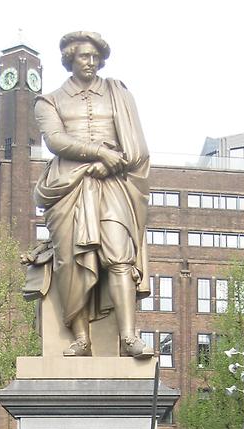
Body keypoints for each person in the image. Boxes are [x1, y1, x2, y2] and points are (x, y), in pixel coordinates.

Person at [27, 31, 153, 359]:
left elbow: (136, 145)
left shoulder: (118, 94)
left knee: (119, 254)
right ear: (70, 59)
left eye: (96, 57)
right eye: (85, 56)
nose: (92, 62)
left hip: (112, 184)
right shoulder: (49, 101)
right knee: (70, 260)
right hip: (68, 186)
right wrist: (98, 153)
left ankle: (128, 337)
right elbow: (55, 140)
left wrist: (111, 164)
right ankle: (81, 339)